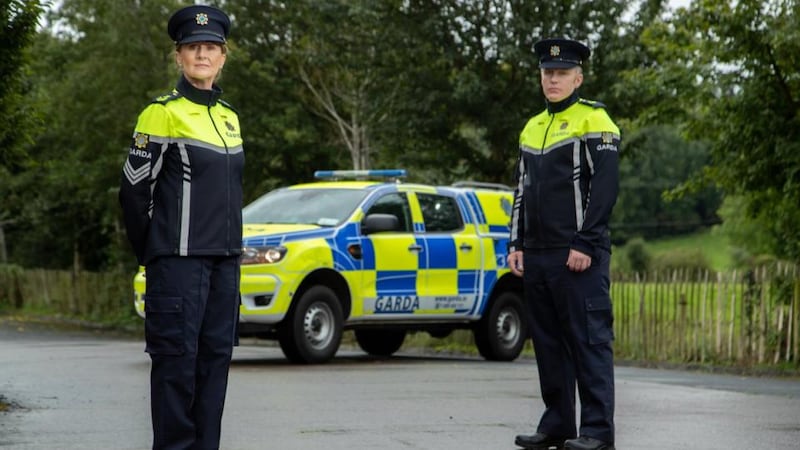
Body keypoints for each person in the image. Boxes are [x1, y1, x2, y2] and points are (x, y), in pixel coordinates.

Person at [118, 5, 244, 449]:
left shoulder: (230, 117)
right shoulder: (160, 113)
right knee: (176, 370)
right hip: (178, 266)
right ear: (179, 57)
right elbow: (134, 193)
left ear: (223, 56)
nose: (202, 55)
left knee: (214, 368)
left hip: (225, 266)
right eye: (193, 47)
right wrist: (154, 253)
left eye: (210, 48)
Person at [508, 37, 620, 450]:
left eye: (561, 73)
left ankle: (597, 432)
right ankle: (557, 424)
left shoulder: (596, 121)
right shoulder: (532, 126)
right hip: (536, 255)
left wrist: (586, 243)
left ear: (579, 77)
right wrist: (515, 242)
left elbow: (605, 190)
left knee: (589, 342)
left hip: (578, 254)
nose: (552, 80)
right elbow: (521, 188)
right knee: (549, 345)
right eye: (547, 73)